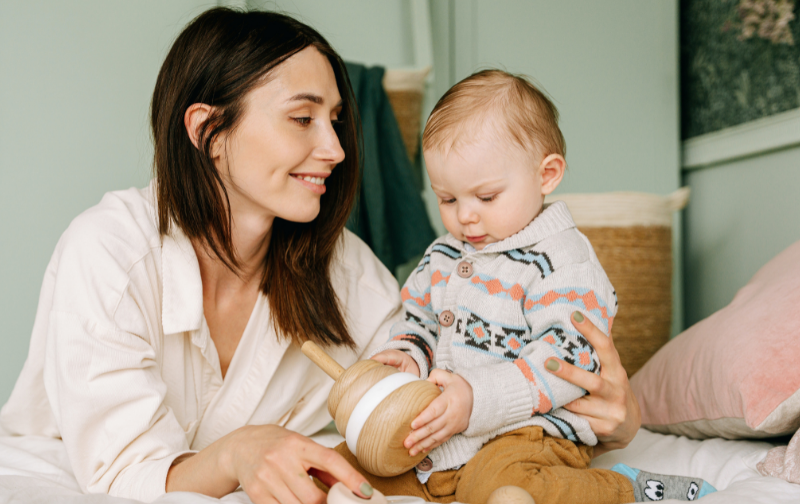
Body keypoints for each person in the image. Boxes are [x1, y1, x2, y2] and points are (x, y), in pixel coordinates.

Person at [0, 9, 641, 504]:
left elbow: (424, 387)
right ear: (207, 130)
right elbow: (122, 469)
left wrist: (618, 420)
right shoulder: (109, 253)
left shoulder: (343, 266)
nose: (334, 149)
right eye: (302, 119)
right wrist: (239, 454)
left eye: (335, 120)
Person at [352, 70, 716, 504]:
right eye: (447, 199)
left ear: (546, 174)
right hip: (444, 441)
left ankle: (629, 490)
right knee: (347, 463)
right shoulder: (444, 255)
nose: (464, 217)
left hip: (530, 432)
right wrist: (409, 357)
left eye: (485, 197)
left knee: (503, 486)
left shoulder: (564, 262)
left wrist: (477, 398)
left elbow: (564, 359)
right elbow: (419, 320)